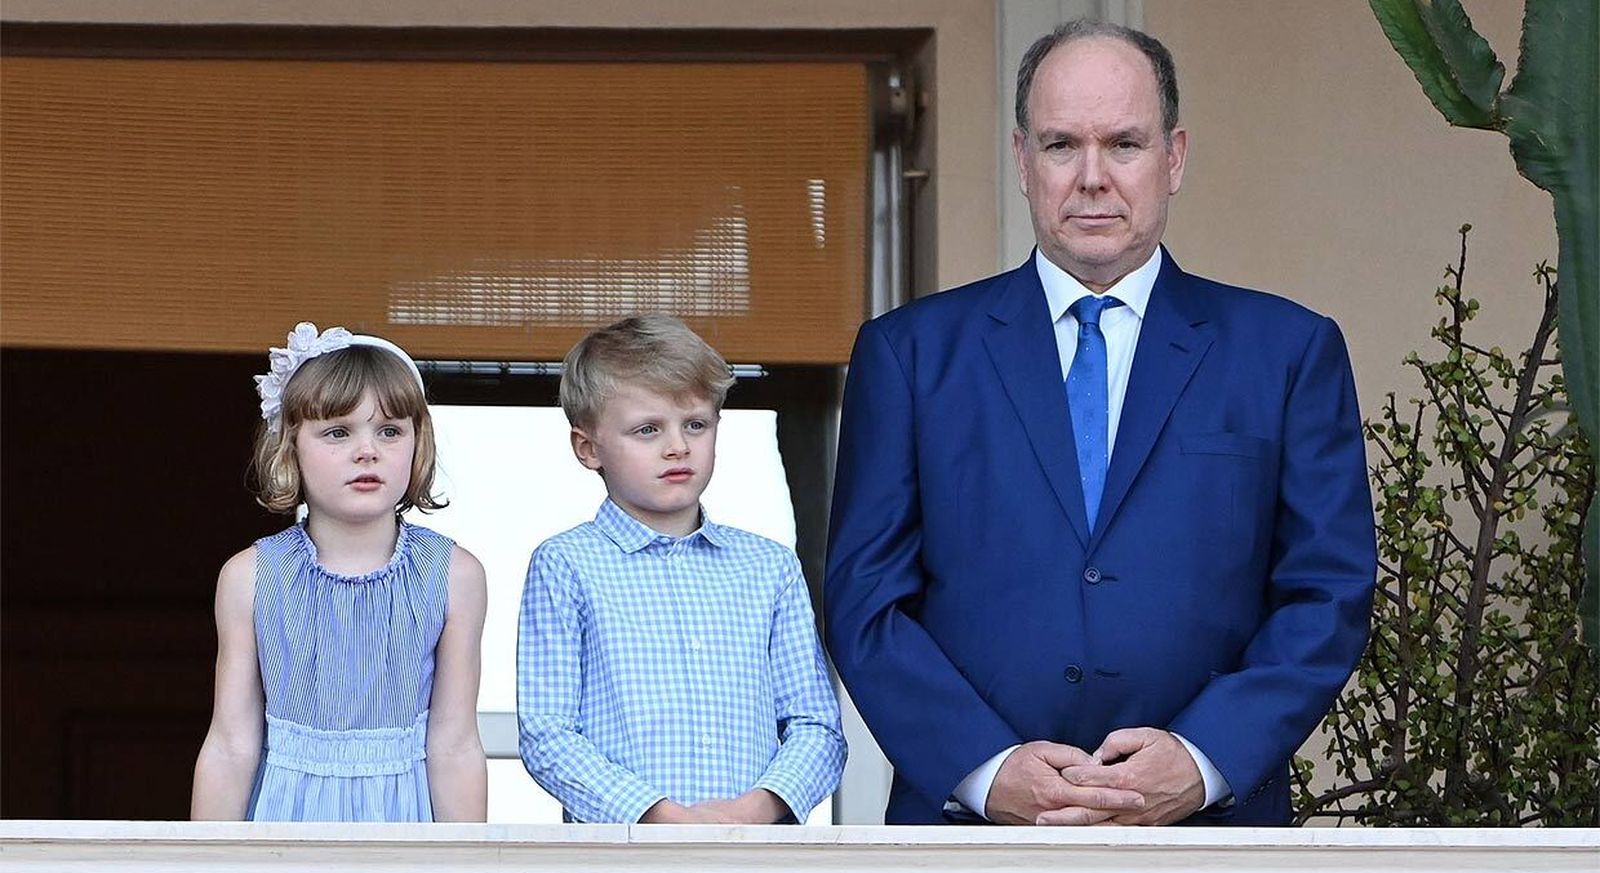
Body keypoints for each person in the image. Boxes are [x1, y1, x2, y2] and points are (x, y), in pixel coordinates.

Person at [824, 19, 1375, 826]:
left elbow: (1327, 592)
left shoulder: (1288, 352)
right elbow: (866, 601)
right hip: (966, 846)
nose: (1092, 178)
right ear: (1021, 160)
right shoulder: (908, 356)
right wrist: (985, 768)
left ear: (1174, 157)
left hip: (1210, 843)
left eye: (1123, 143)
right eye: (1059, 145)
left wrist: (1200, 758)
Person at [518, 314, 846, 824]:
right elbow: (548, 734)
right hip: (621, 866)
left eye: (696, 423)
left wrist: (755, 812)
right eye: (648, 429)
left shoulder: (769, 568)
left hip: (753, 859)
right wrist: (660, 818)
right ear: (588, 448)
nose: (678, 445)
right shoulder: (566, 566)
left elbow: (816, 726)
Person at [191, 322, 488, 822]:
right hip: (285, 825)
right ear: (291, 447)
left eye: (390, 431)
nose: (367, 450)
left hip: (405, 827)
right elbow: (231, 744)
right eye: (337, 431)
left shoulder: (455, 576)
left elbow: (454, 744)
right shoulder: (251, 577)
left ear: (418, 444)